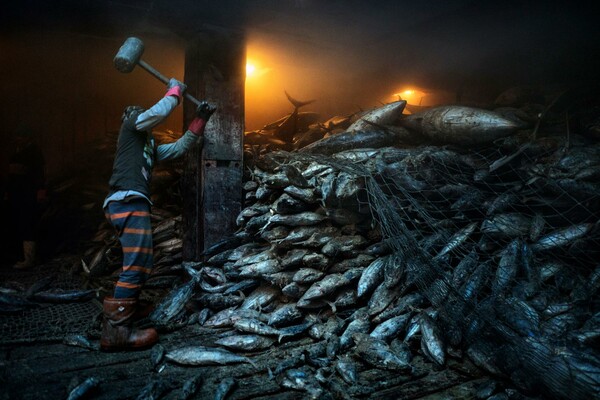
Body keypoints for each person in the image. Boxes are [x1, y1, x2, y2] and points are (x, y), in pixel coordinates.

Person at [101, 78, 216, 351]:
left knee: (142, 261)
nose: (142, 118)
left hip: (130, 202)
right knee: (137, 262)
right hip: (127, 200)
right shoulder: (130, 128)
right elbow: (157, 113)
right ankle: (116, 331)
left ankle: (128, 309)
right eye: (138, 114)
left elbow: (179, 147)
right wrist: (174, 90)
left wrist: (200, 120)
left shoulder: (147, 146)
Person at [7, 126, 46, 269]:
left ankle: (29, 259)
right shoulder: (18, 151)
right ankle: (22, 256)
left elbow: (39, 173)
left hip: (28, 194)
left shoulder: (34, 152)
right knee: (19, 223)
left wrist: (40, 190)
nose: (17, 140)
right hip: (17, 194)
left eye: (20, 137)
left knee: (27, 223)